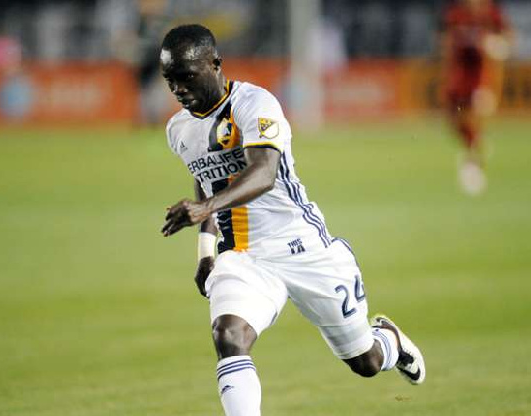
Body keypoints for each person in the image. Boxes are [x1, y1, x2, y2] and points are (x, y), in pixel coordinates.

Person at [160, 24, 425, 416]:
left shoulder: (256, 104)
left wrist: (207, 208)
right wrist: (206, 250)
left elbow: (264, 173)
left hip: (302, 246)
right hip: (245, 257)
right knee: (229, 335)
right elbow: (205, 177)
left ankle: (390, 341)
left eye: (186, 76)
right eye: (170, 80)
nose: (178, 89)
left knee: (364, 361)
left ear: (215, 64)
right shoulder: (178, 129)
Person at [440, 0, 513, 195]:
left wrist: (497, 46)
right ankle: (475, 143)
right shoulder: (455, 13)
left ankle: (473, 163)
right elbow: (445, 41)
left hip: (483, 74)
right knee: (453, 119)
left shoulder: (491, 12)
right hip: (459, 74)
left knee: (475, 113)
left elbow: (507, 39)